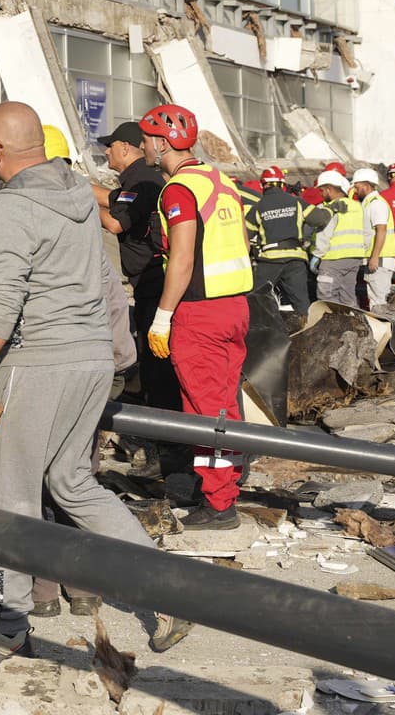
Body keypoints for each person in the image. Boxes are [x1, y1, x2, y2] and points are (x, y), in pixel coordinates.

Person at [0, 102, 189, 664]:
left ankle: (7, 630)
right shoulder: (79, 193)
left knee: (13, 496)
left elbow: (1, 304)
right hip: (93, 360)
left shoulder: (9, 208)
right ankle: (172, 593)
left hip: (41, 362)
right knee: (73, 482)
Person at [141, 104, 253, 530]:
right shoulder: (220, 181)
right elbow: (242, 240)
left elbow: (182, 258)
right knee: (224, 403)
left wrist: (162, 317)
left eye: (148, 138)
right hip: (235, 307)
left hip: (199, 313)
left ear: (163, 142)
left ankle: (220, 504)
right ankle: (228, 481)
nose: (144, 145)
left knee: (205, 411)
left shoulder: (177, 190)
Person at [92, 120, 178, 413]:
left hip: (153, 282)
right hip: (149, 282)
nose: (106, 152)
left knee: (158, 366)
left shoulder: (141, 179)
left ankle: (168, 438)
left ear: (125, 148)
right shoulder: (138, 179)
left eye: (110, 146)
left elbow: (116, 221)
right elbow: (113, 200)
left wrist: (81, 199)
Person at [246, 166, 312, 314]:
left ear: (263, 185)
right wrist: (332, 208)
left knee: (255, 299)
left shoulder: (258, 206)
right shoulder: (297, 202)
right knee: (301, 302)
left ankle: (256, 331)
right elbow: (320, 218)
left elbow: (246, 234)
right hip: (295, 259)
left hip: (270, 261)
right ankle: (306, 330)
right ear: (282, 184)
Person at [310, 170, 366, 306]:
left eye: (322, 190)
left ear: (329, 190)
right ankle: (353, 323)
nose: (321, 194)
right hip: (354, 259)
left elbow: (324, 234)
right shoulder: (358, 207)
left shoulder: (332, 208)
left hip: (333, 259)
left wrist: (317, 255)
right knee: (348, 297)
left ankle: (332, 325)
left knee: (326, 298)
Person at [351, 168, 395, 309]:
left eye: (357, 187)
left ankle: (386, 329)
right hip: (377, 259)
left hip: (380, 260)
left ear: (366, 186)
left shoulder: (376, 204)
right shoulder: (369, 203)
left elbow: (381, 230)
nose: (355, 190)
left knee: (380, 301)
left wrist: (374, 257)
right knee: (375, 301)